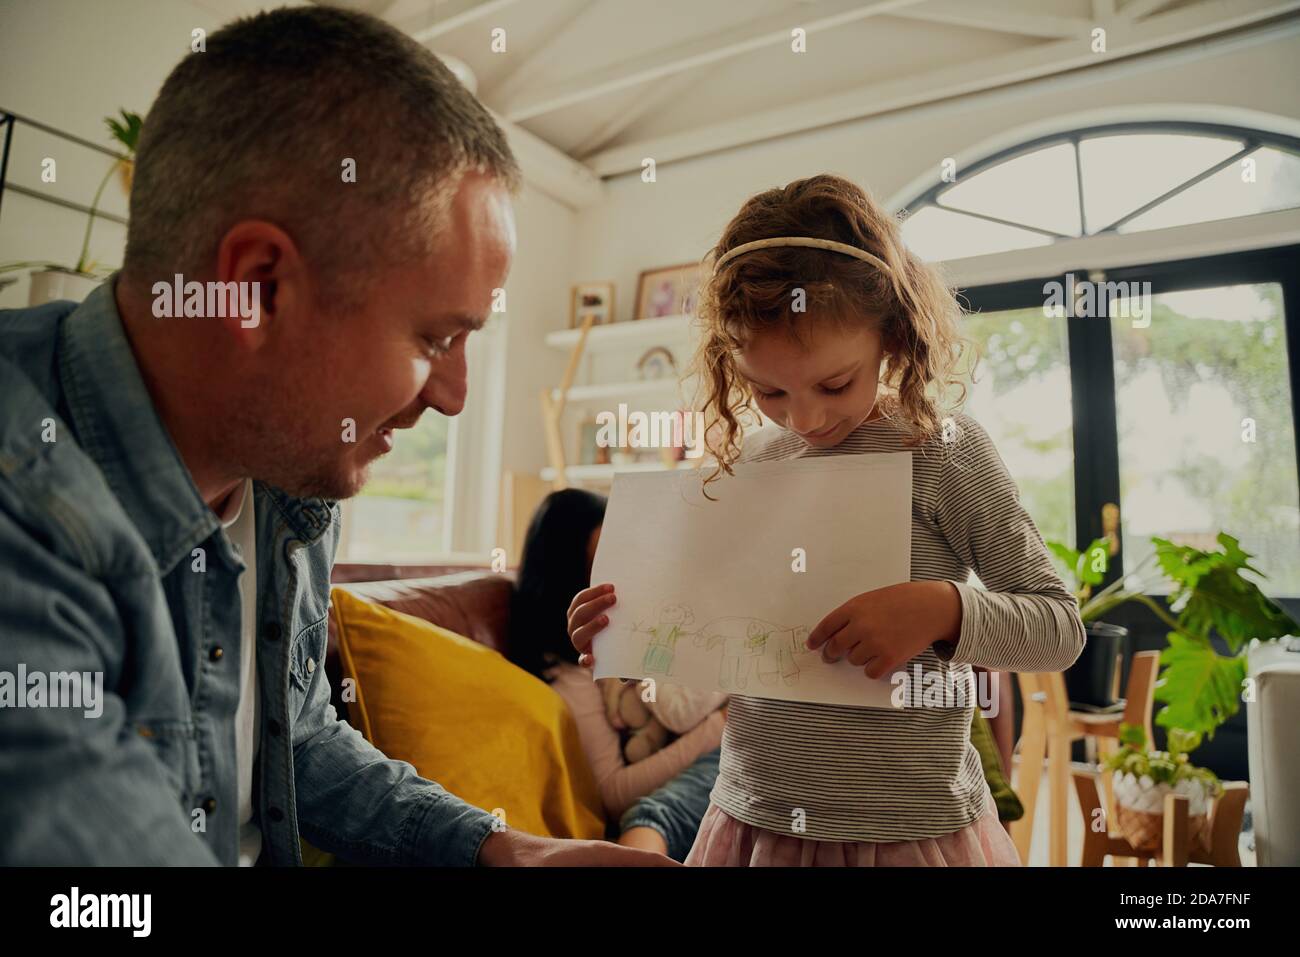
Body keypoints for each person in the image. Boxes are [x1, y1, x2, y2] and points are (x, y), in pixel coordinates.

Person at [0, 6, 669, 867]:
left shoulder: (291, 467)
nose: (457, 397)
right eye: (434, 339)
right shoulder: (27, 506)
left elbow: (295, 736)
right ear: (257, 288)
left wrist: (504, 852)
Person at [568, 174, 1085, 866]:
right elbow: (707, 631)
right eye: (768, 390)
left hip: (912, 829)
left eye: (834, 383)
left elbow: (1059, 627)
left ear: (893, 336)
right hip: (755, 820)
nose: (806, 418)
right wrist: (618, 628)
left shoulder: (943, 451)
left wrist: (942, 609)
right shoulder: (745, 463)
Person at [508, 489, 724, 861]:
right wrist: (722, 725)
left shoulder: (644, 625)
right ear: (571, 569)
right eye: (606, 557)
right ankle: (648, 830)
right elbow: (612, 793)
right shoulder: (567, 672)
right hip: (682, 787)